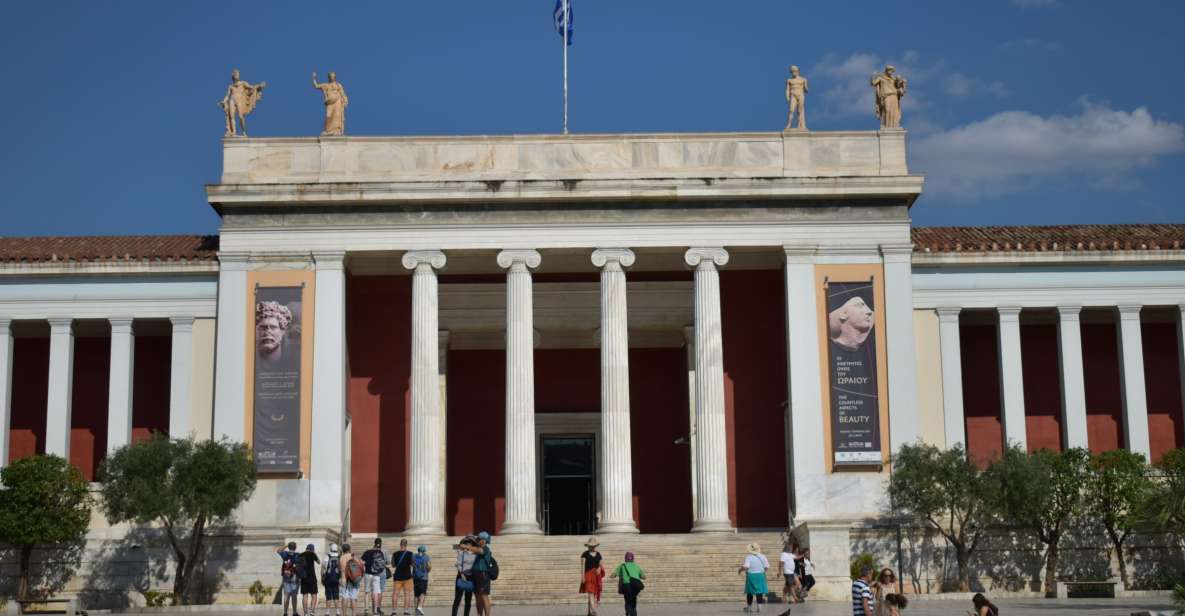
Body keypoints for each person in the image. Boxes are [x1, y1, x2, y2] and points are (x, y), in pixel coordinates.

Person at [218, 68, 266, 137]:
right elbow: (227, 96)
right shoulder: (231, 86)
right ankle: (233, 132)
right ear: (233, 76)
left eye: (238, 74)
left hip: (239, 100)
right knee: (231, 116)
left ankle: (243, 132)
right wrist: (223, 101)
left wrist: (259, 86)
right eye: (236, 74)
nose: (237, 75)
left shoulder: (243, 83)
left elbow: (251, 87)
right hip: (232, 100)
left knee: (240, 116)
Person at [311, 71, 349, 136]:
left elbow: (342, 93)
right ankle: (328, 131)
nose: (332, 77)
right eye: (330, 76)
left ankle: (336, 130)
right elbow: (316, 86)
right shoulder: (326, 85)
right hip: (329, 102)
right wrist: (314, 78)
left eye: (333, 76)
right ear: (329, 78)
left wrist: (345, 100)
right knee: (328, 116)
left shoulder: (338, 85)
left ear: (335, 77)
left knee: (337, 115)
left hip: (338, 101)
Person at [609, 551, 646, 616]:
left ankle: (628, 613)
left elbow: (614, 574)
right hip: (635, 586)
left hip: (626, 585)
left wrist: (611, 576)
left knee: (627, 601)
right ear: (633, 559)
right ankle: (633, 613)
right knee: (633, 600)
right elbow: (644, 577)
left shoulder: (622, 566)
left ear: (625, 558)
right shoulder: (636, 566)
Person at [467, 531, 495, 616]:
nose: (478, 540)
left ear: (485, 540)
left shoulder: (485, 548)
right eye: (478, 539)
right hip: (476, 575)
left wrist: (468, 547)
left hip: (483, 575)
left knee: (484, 597)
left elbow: (480, 551)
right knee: (477, 598)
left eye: (480, 539)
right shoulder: (477, 548)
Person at [738, 542, 770, 613]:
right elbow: (767, 567)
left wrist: (740, 570)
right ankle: (759, 606)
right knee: (759, 592)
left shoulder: (749, 557)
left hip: (751, 576)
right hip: (760, 575)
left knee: (750, 592)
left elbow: (746, 567)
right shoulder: (763, 556)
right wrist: (762, 571)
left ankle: (749, 607)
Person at [579, 536, 605, 616]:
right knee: (590, 593)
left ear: (596, 546)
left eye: (594, 546)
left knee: (593, 594)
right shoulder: (585, 554)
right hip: (588, 575)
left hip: (596, 576)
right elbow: (583, 566)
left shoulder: (599, 554)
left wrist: (600, 569)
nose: (592, 547)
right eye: (591, 546)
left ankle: (589, 613)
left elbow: (601, 565)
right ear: (588, 546)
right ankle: (594, 611)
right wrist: (582, 577)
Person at [361, 538, 388, 615]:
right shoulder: (381, 553)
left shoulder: (367, 552)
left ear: (374, 543)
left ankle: (366, 610)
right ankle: (375, 611)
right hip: (376, 575)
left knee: (367, 592)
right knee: (376, 593)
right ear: (380, 544)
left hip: (367, 574)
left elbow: (362, 562)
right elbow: (383, 565)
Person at [390, 539, 415, 616]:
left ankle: (394, 611)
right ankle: (406, 611)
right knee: (407, 594)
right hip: (407, 577)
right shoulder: (410, 554)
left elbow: (393, 565)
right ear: (406, 545)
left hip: (397, 577)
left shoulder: (395, 554)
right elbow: (413, 564)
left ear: (400, 544)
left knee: (395, 594)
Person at [452, 536, 477, 616]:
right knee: (457, 598)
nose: (468, 544)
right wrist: (462, 574)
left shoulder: (475, 554)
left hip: (471, 577)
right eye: (467, 543)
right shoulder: (461, 552)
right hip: (461, 576)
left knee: (468, 599)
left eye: (470, 543)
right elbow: (459, 564)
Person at [278, 542, 302, 616]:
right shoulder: (298, 555)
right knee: (294, 596)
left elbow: (278, 550)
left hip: (286, 576)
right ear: (295, 547)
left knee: (286, 595)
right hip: (294, 577)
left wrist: (286, 545)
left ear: (289, 547)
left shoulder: (285, 554)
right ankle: (294, 612)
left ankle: (285, 612)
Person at [341, 543, 364, 616]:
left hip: (345, 580)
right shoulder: (354, 557)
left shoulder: (341, 558)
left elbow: (340, 569)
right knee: (353, 598)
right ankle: (353, 614)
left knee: (345, 597)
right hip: (354, 579)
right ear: (349, 549)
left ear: (343, 550)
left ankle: (344, 614)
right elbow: (362, 567)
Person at [299, 543, 322, 616]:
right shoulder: (312, 554)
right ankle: (312, 611)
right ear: (312, 549)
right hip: (312, 578)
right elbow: (319, 562)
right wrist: (314, 553)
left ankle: (305, 613)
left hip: (304, 578)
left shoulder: (301, 554)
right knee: (314, 595)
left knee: (305, 595)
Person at [784, 65, 808, 130]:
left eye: (794, 71)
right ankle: (789, 124)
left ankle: (800, 125)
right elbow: (787, 89)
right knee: (791, 110)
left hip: (800, 94)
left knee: (800, 111)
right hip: (793, 95)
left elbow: (806, 89)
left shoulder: (803, 79)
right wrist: (787, 96)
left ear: (798, 71)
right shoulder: (789, 80)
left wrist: (805, 87)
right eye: (792, 72)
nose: (793, 73)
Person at [323, 543, 343, 616]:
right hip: (336, 578)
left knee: (328, 595)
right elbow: (341, 568)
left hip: (328, 578)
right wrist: (341, 577)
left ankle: (327, 612)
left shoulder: (327, 556)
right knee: (336, 595)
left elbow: (323, 567)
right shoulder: (339, 557)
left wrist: (322, 577)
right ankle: (337, 612)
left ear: (330, 549)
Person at [413, 545, 432, 616]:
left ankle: (416, 611)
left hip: (415, 577)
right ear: (424, 550)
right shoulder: (426, 556)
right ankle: (420, 607)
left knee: (416, 595)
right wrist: (427, 571)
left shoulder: (414, 556)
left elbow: (412, 565)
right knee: (423, 593)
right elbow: (429, 566)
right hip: (423, 578)